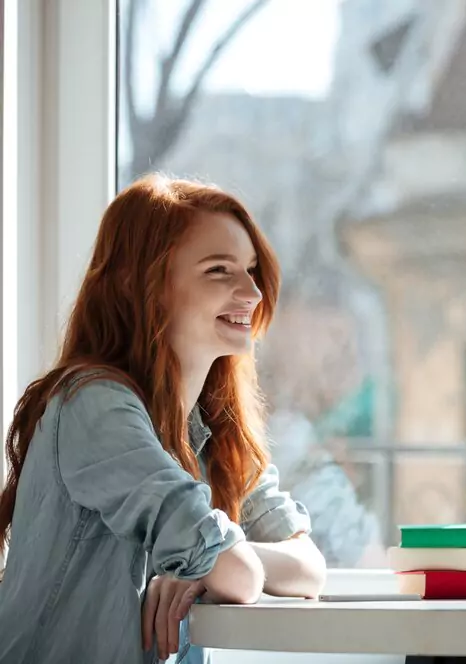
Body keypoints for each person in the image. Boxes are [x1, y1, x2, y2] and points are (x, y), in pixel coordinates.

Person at [0, 175, 328, 663]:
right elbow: (239, 575)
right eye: (219, 270)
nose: (252, 293)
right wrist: (216, 561)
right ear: (142, 284)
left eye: (251, 270)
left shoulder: (215, 430)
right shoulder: (93, 406)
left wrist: (200, 566)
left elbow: (309, 567)